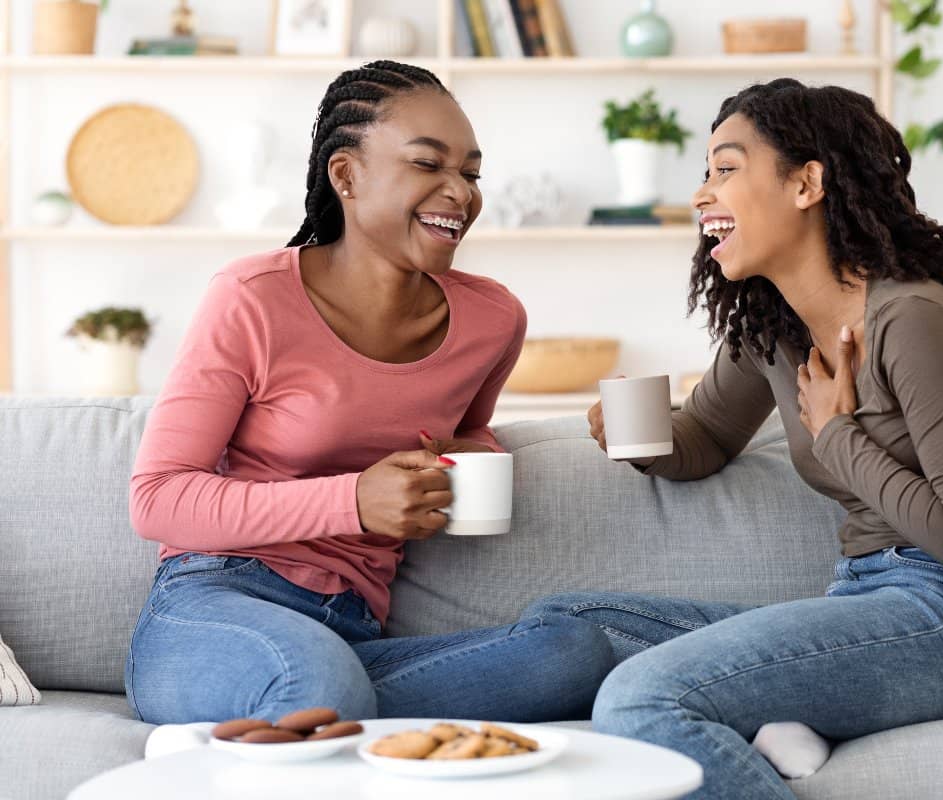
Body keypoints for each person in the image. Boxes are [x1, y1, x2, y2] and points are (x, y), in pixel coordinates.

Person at [524, 79, 943, 799]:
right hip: (864, 600)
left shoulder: (914, 321)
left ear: (807, 183)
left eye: (726, 168)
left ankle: (768, 714)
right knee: (565, 627)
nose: (703, 194)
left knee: (638, 699)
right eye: (705, 173)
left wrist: (837, 436)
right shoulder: (773, 331)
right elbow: (705, 434)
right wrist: (638, 439)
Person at [125, 60, 612, 725]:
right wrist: (353, 500)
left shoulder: (494, 320)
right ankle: (307, 709)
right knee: (321, 683)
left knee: (572, 651)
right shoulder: (252, 299)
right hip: (215, 605)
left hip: (352, 631)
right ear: (347, 175)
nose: (460, 194)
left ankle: (286, 724)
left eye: (470, 174)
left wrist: (472, 458)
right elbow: (158, 499)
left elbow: (467, 432)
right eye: (427, 165)